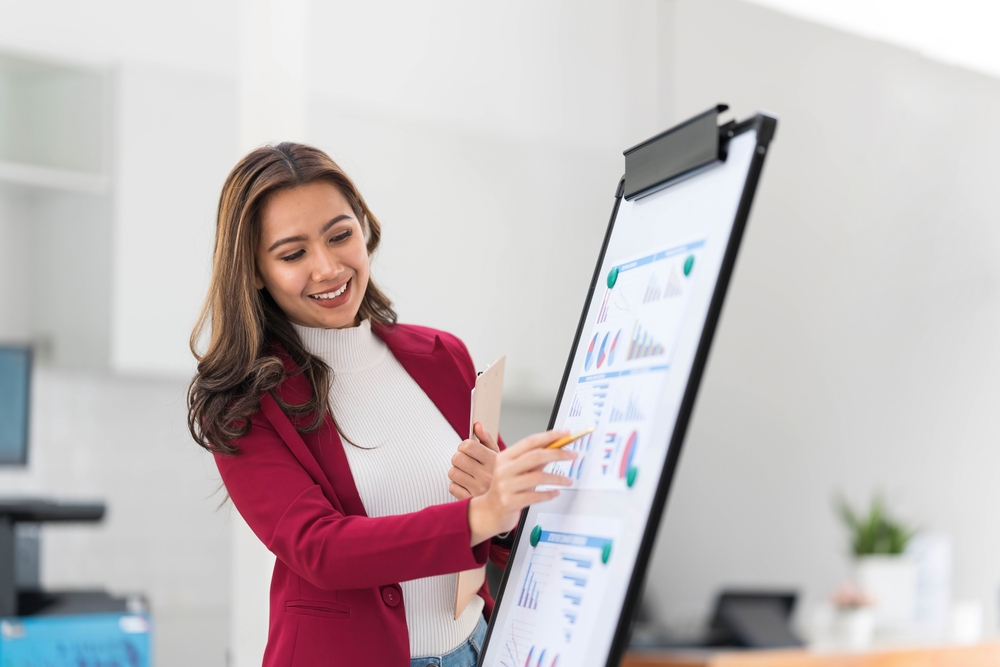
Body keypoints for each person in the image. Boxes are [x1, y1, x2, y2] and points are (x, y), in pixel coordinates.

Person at [187, 142, 575, 667]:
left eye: (340, 235)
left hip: (476, 648)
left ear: (363, 229)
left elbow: (506, 520)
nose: (327, 268)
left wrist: (499, 506)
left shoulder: (443, 357)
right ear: (254, 270)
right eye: (293, 253)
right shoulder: (242, 404)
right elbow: (320, 549)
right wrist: (476, 515)